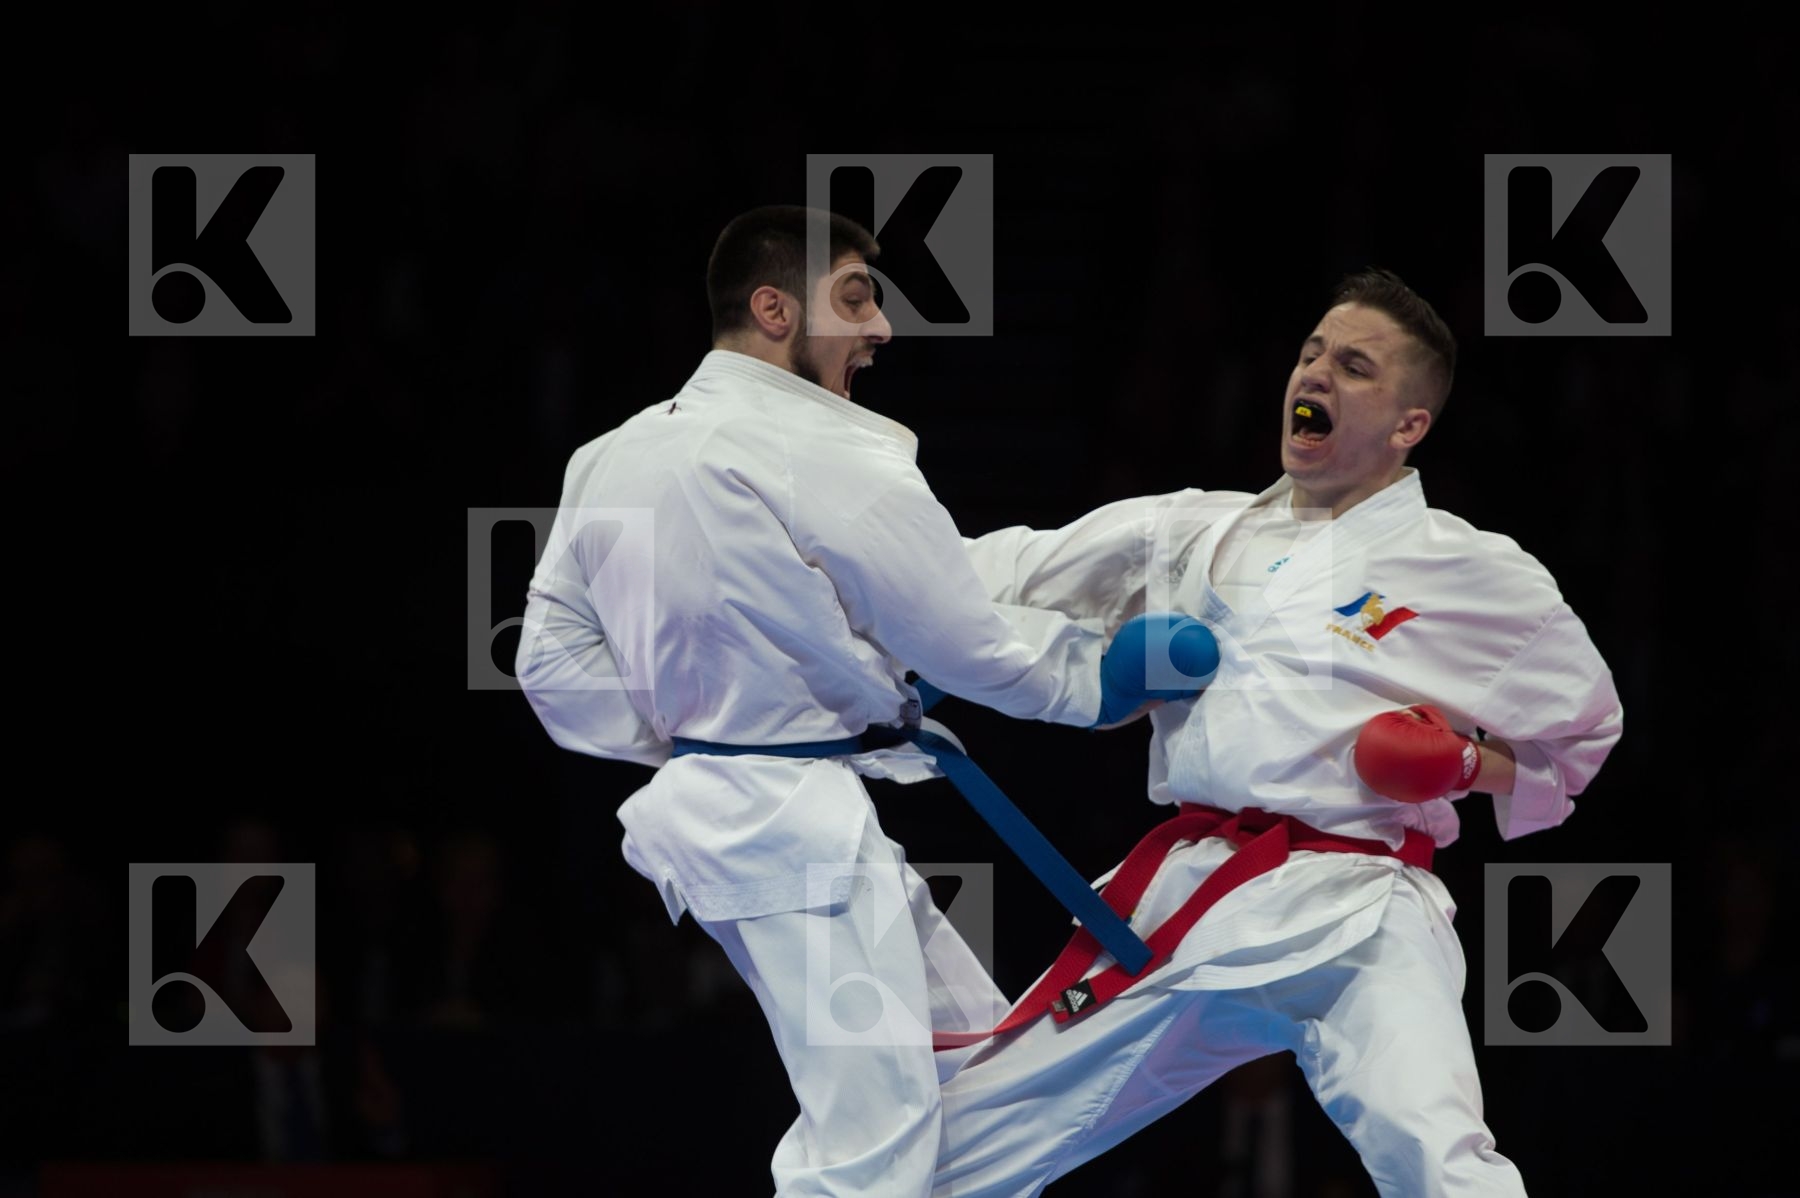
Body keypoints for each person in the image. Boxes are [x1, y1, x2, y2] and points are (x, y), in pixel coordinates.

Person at [513, 206, 1190, 1197]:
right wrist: (1098, 685)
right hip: (791, 837)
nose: (882, 328)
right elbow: (961, 637)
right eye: (857, 297)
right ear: (774, 308)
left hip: (734, 820)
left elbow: (551, 666)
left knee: (984, 1075)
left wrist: (700, 735)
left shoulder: (608, 456)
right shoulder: (829, 449)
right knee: (870, 1143)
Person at [925, 269, 1624, 1198]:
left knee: (1439, 1159)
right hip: (1193, 897)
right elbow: (980, 574)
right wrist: (828, 561)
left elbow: (1584, 738)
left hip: (1362, 904)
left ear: (1409, 425)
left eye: (1355, 366)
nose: (1318, 373)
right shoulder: (1187, 529)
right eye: (1312, 353)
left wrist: (1468, 764)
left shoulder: (1476, 571)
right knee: (954, 1151)